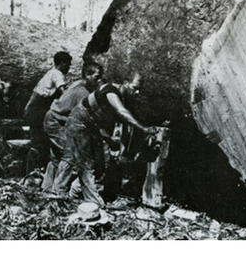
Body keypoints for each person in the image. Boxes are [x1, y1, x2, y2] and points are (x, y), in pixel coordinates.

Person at [53, 73, 159, 206]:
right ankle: (89, 200)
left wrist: (125, 150)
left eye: (139, 90)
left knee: (100, 166)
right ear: (125, 83)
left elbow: (128, 124)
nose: (137, 92)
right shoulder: (110, 90)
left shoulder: (127, 98)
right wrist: (144, 128)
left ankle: (74, 192)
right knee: (86, 163)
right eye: (134, 88)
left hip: (94, 126)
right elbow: (121, 112)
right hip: (79, 122)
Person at [43, 62, 104, 193]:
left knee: (56, 157)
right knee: (71, 153)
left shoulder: (78, 84)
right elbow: (85, 117)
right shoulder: (82, 93)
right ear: (87, 75)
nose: (98, 81)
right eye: (96, 77)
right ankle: (59, 191)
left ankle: (47, 187)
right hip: (56, 122)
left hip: (54, 117)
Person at [24, 51, 72, 178]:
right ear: (62, 63)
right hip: (38, 110)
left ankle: (39, 173)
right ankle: (33, 174)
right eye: (68, 64)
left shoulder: (51, 73)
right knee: (39, 143)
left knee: (41, 142)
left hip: (35, 109)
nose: (69, 67)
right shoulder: (57, 74)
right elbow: (63, 92)